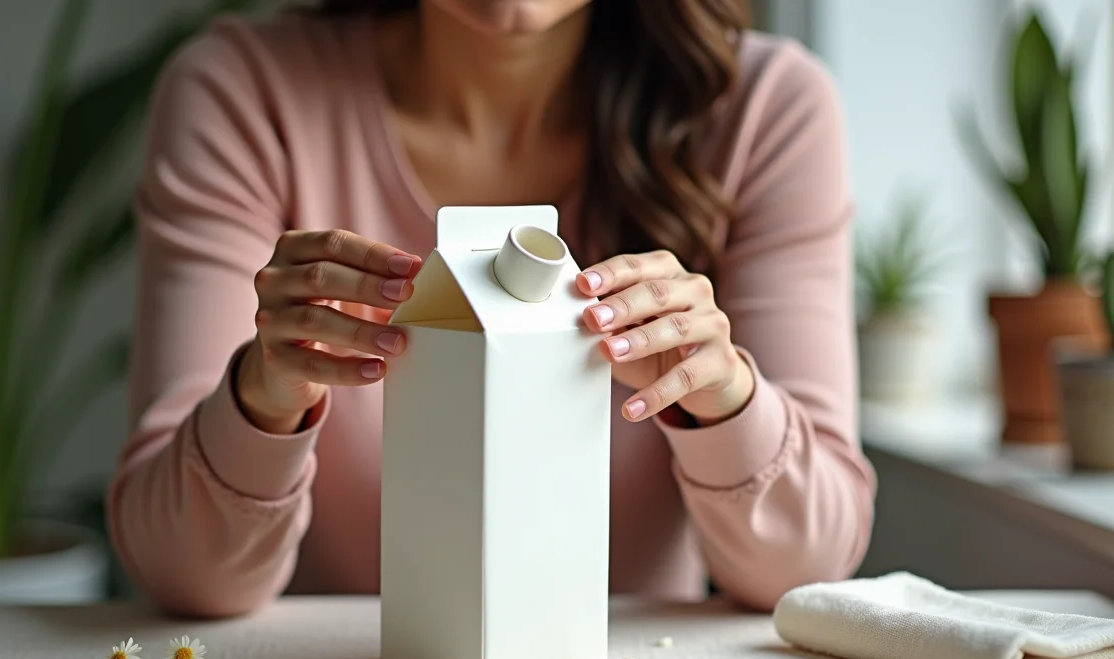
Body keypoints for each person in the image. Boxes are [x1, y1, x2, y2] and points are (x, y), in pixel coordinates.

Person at [107, 0, 877, 618]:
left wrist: (724, 400)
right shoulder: (243, 94)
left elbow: (807, 565)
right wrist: (262, 398)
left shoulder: (766, 109)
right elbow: (183, 575)